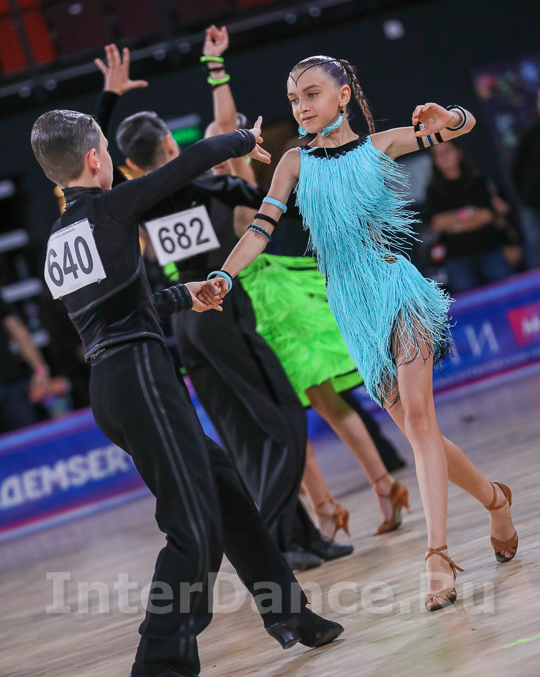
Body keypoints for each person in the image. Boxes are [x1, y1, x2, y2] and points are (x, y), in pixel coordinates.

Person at [31, 108, 343, 677]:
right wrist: (243, 139)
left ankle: (290, 614)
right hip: (143, 379)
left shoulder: (59, 238)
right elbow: (191, 161)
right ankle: (158, 660)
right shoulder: (110, 207)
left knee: (226, 492)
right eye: (106, 148)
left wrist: (185, 294)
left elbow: (115, 313)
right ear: (96, 160)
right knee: (193, 529)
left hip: (115, 384)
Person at [202, 55, 519, 612]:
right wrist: (224, 275)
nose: (301, 106)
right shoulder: (294, 162)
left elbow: (460, 126)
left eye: (312, 93)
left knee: (419, 418)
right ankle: (496, 501)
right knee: (419, 433)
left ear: (343, 95)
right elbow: (259, 230)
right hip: (351, 310)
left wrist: (451, 115)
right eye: (294, 98)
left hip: (399, 290)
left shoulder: (381, 145)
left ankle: (437, 555)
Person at [95, 43, 351, 569]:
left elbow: (88, 159)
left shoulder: (136, 204)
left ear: (130, 165)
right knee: (285, 422)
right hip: (225, 313)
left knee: (243, 437)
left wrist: (108, 99)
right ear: (172, 142)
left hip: (184, 328)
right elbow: (282, 210)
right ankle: (279, 539)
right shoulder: (216, 188)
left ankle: (301, 537)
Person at [203, 26, 410, 540]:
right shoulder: (185, 187)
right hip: (237, 302)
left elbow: (224, 123)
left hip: (268, 295)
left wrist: (216, 68)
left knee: (309, 401)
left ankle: (352, 496)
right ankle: (345, 498)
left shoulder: (231, 167)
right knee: (298, 406)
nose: (213, 145)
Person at [423, 140, 513, 293]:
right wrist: (469, 214)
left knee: (507, 293)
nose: (443, 157)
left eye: (447, 151)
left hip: (489, 249)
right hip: (456, 257)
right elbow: (437, 223)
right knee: (468, 301)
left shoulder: (478, 181)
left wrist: (454, 224)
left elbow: (486, 215)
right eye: (437, 154)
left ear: (458, 152)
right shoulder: (433, 190)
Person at [0, 293, 51, 433]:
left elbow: (17, 330)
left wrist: (40, 369)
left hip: (9, 386)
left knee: (31, 438)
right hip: (10, 387)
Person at [513, 86, 540, 269]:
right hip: (534, 205)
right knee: (536, 251)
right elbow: (516, 171)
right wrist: (527, 196)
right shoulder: (530, 137)